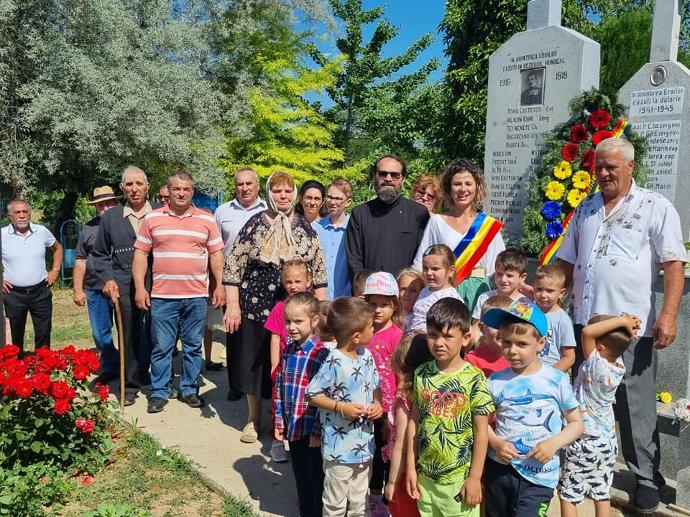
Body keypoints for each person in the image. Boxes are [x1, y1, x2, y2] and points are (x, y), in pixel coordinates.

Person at [557, 137, 687, 512]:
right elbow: (567, 260)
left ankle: (645, 477)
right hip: (585, 323)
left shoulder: (655, 206)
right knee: (587, 399)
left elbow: (673, 264)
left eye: (610, 166)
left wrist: (668, 315)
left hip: (629, 329)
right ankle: (583, 464)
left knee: (635, 405)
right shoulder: (586, 207)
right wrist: (552, 301)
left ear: (630, 166)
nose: (603, 173)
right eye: (598, 166)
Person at [223, 170, 327, 444]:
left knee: (290, 365)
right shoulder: (255, 223)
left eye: (288, 190)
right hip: (255, 307)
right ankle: (253, 419)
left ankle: (287, 418)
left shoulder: (304, 227)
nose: (283, 195)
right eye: (277, 190)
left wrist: (320, 311)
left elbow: (318, 269)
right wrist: (232, 304)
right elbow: (233, 265)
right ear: (269, 192)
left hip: (296, 310)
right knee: (254, 363)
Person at [481, 299, 583, 517]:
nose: (512, 350)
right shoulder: (495, 381)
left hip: (539, 478)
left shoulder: (556, 380)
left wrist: (554, 443)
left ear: (541, 343)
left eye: (522, 344)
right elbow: (481, 424)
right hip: (500, 471)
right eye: (506, 342)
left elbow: (576, 424)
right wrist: (496, 443)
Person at [133, 171, 225, 413]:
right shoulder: (152, 219)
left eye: (186, 189)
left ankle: (189, 389)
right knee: (162, 347)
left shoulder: (206, 219)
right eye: (177, 189)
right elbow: (141, 255)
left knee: (193, 346)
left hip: (196, 296)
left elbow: (216, 254)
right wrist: (140, 287)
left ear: (192, 192)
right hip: (163, 296)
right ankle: (159, 391)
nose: (181, 193)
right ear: (169, 191)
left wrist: (219, 284)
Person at [406, 298, 494, 517]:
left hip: (459, 482)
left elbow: (481, 432)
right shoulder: (422, 374)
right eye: (433, 335)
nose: (439, 343)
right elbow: (414, 423)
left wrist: (474, 477)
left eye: (447, 336)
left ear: (466, 338)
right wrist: (410, 467)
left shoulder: (474, 378)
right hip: (426, 480)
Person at [306, 296, 383, 517]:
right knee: (335, 505)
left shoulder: (367, 356)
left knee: (360, 503)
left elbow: (376, 384)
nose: (374, 329)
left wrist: (377, 403)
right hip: (339, 451)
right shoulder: (334, 361)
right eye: (371, 326)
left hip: (364, 447)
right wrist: (341, 407)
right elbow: (312, 394)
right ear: (356, 336)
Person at [559, 314, 639, 517]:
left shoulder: (596, 366)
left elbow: (587, 332)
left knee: (568, 494)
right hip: (607, 444)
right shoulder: (618, 365)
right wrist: (625, 327)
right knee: (601, 493)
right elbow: (612, 340)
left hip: (585, 441)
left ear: (600, 347)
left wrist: (622, 322)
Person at [413, 159, 505, 311]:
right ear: (449, 188)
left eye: (468, 184)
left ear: (477, 187)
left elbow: (500, 267)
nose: (463, 189)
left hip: (480, 294)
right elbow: (420, 264)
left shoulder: (488, 226)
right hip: (444, 293)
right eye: (457, 184)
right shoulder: (437, 222)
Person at [274, 292, 330, 517]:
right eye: (288, 321)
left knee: (316, 476)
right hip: (293, 426)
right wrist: (279, 420)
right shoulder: (288, 350)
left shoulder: (320, 354)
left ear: (314, 321)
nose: (292, 327)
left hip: (312, 431)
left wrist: (317, 430)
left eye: (298, 321)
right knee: (300, 474)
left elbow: (324, 396)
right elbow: (280, 387)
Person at [214, 167, 267, 401]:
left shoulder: (269, 210)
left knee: (260, 334)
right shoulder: (223, 211)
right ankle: (236, 383)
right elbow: (215, 250)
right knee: (234, 333)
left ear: (257, 185)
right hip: (232, 282)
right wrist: (218, 283)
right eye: (240, 184)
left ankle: (260, 382)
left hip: (262, 283)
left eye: (249, 183)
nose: (244, 188)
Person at [362, 272, 404, 516]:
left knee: (382, 455)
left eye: (383, 304)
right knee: (365, 453)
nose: (377, 309)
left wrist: (395, 412)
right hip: (362, 407)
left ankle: (379, 499)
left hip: (386, 411)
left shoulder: (397, 336)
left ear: (394, 305)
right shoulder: (361, 333)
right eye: (372, 303)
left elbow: (401, 377)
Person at [346, 154, 429, 277]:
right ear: (374, 177)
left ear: (403, 179)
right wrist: (365, 285)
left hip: (407, 287)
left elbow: (424, 257)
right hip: (369, 287)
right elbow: (354, 261)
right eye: (382, 174)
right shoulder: (360, 214)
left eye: (395, 175)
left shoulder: (418, 213)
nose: (388, 178)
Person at [265, 258, 313, 461]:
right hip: (285, 365)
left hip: (307, 365)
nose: (293, 286)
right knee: (279, 403)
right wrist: (274, 365)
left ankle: (303, 439)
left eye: (298, 281)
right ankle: (277, 441)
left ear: (308, 281)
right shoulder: (279, 308)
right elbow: (275, 337)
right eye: (288, 282)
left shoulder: (314, 307)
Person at [2, 199, 63, 352]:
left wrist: (55, 270)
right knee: (15, 336)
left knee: (43, 333)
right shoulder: (2, 235)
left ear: (29, 214)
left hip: (40, 291)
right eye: (18, 212)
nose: (22, 215)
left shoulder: (41, 231)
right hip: (13, 294)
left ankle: (43, 364)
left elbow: (58, 248)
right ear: (10, 216)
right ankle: (16, 364)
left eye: (25, 212)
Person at [73, 186, 120, 378]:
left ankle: (131, 369)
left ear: (116, 203)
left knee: (128, 331)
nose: (106, 207)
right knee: (100, 333)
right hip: (95, 288)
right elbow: (80, 260)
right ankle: (111, 366)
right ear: (96, 207)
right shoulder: (88, 229)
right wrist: (78, 289)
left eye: (109, 203)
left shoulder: (125, 224)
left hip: (121, 287)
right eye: (101, 205)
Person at [383, 334, 433, 517]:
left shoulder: (405, 400)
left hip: (404, 474)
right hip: (427, 470)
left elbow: (401, 446)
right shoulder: (431, 392)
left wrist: (392, 482)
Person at [406, 244, 462, 334]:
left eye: (435, 269)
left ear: (451, 271)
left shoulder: (450, 298)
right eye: (425, 268)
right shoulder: (425, 290)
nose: (429, 273)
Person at [314, 178, 353, 299]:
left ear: (348, 202)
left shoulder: (354, 229)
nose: (332, 202)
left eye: (338, 198)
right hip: (320, 298)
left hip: (346, 298)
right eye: (329, 197)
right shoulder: (316, 228)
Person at [533, 264, 575, 372]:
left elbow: (569, 357)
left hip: (551, 373)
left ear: (561, 293)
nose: (543, 295)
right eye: (539, 289)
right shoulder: (527, 310)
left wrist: (551, 375)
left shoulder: (562, 319)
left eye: (549, 291)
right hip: (527, 372)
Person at [471, 248, 527, 322]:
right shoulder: (485, 298)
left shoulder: (525, 304)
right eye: (499, 274)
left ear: (522, 277)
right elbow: (476, 326)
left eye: (509, 276)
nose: (503, 280)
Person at [465, 294, 512, 379]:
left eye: (507, 324)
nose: (502, 330)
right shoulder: (472, 361)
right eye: (495, 325)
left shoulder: (521, 357)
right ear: (482, 328)